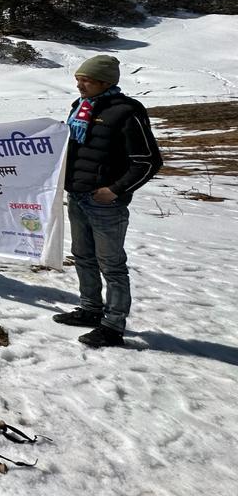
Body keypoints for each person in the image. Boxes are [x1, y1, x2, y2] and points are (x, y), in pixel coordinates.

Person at [53, 55, 162, 348]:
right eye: (78, 79)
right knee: (83, 256)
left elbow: (148, 161)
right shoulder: (80, 108)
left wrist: (115, 190)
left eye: (85, 80)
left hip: (105, 202)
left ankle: (113, 326)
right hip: (77, 195)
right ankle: (90, 310)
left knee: (111, 265)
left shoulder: (127, 111)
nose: (79, 85)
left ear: (105, 81)